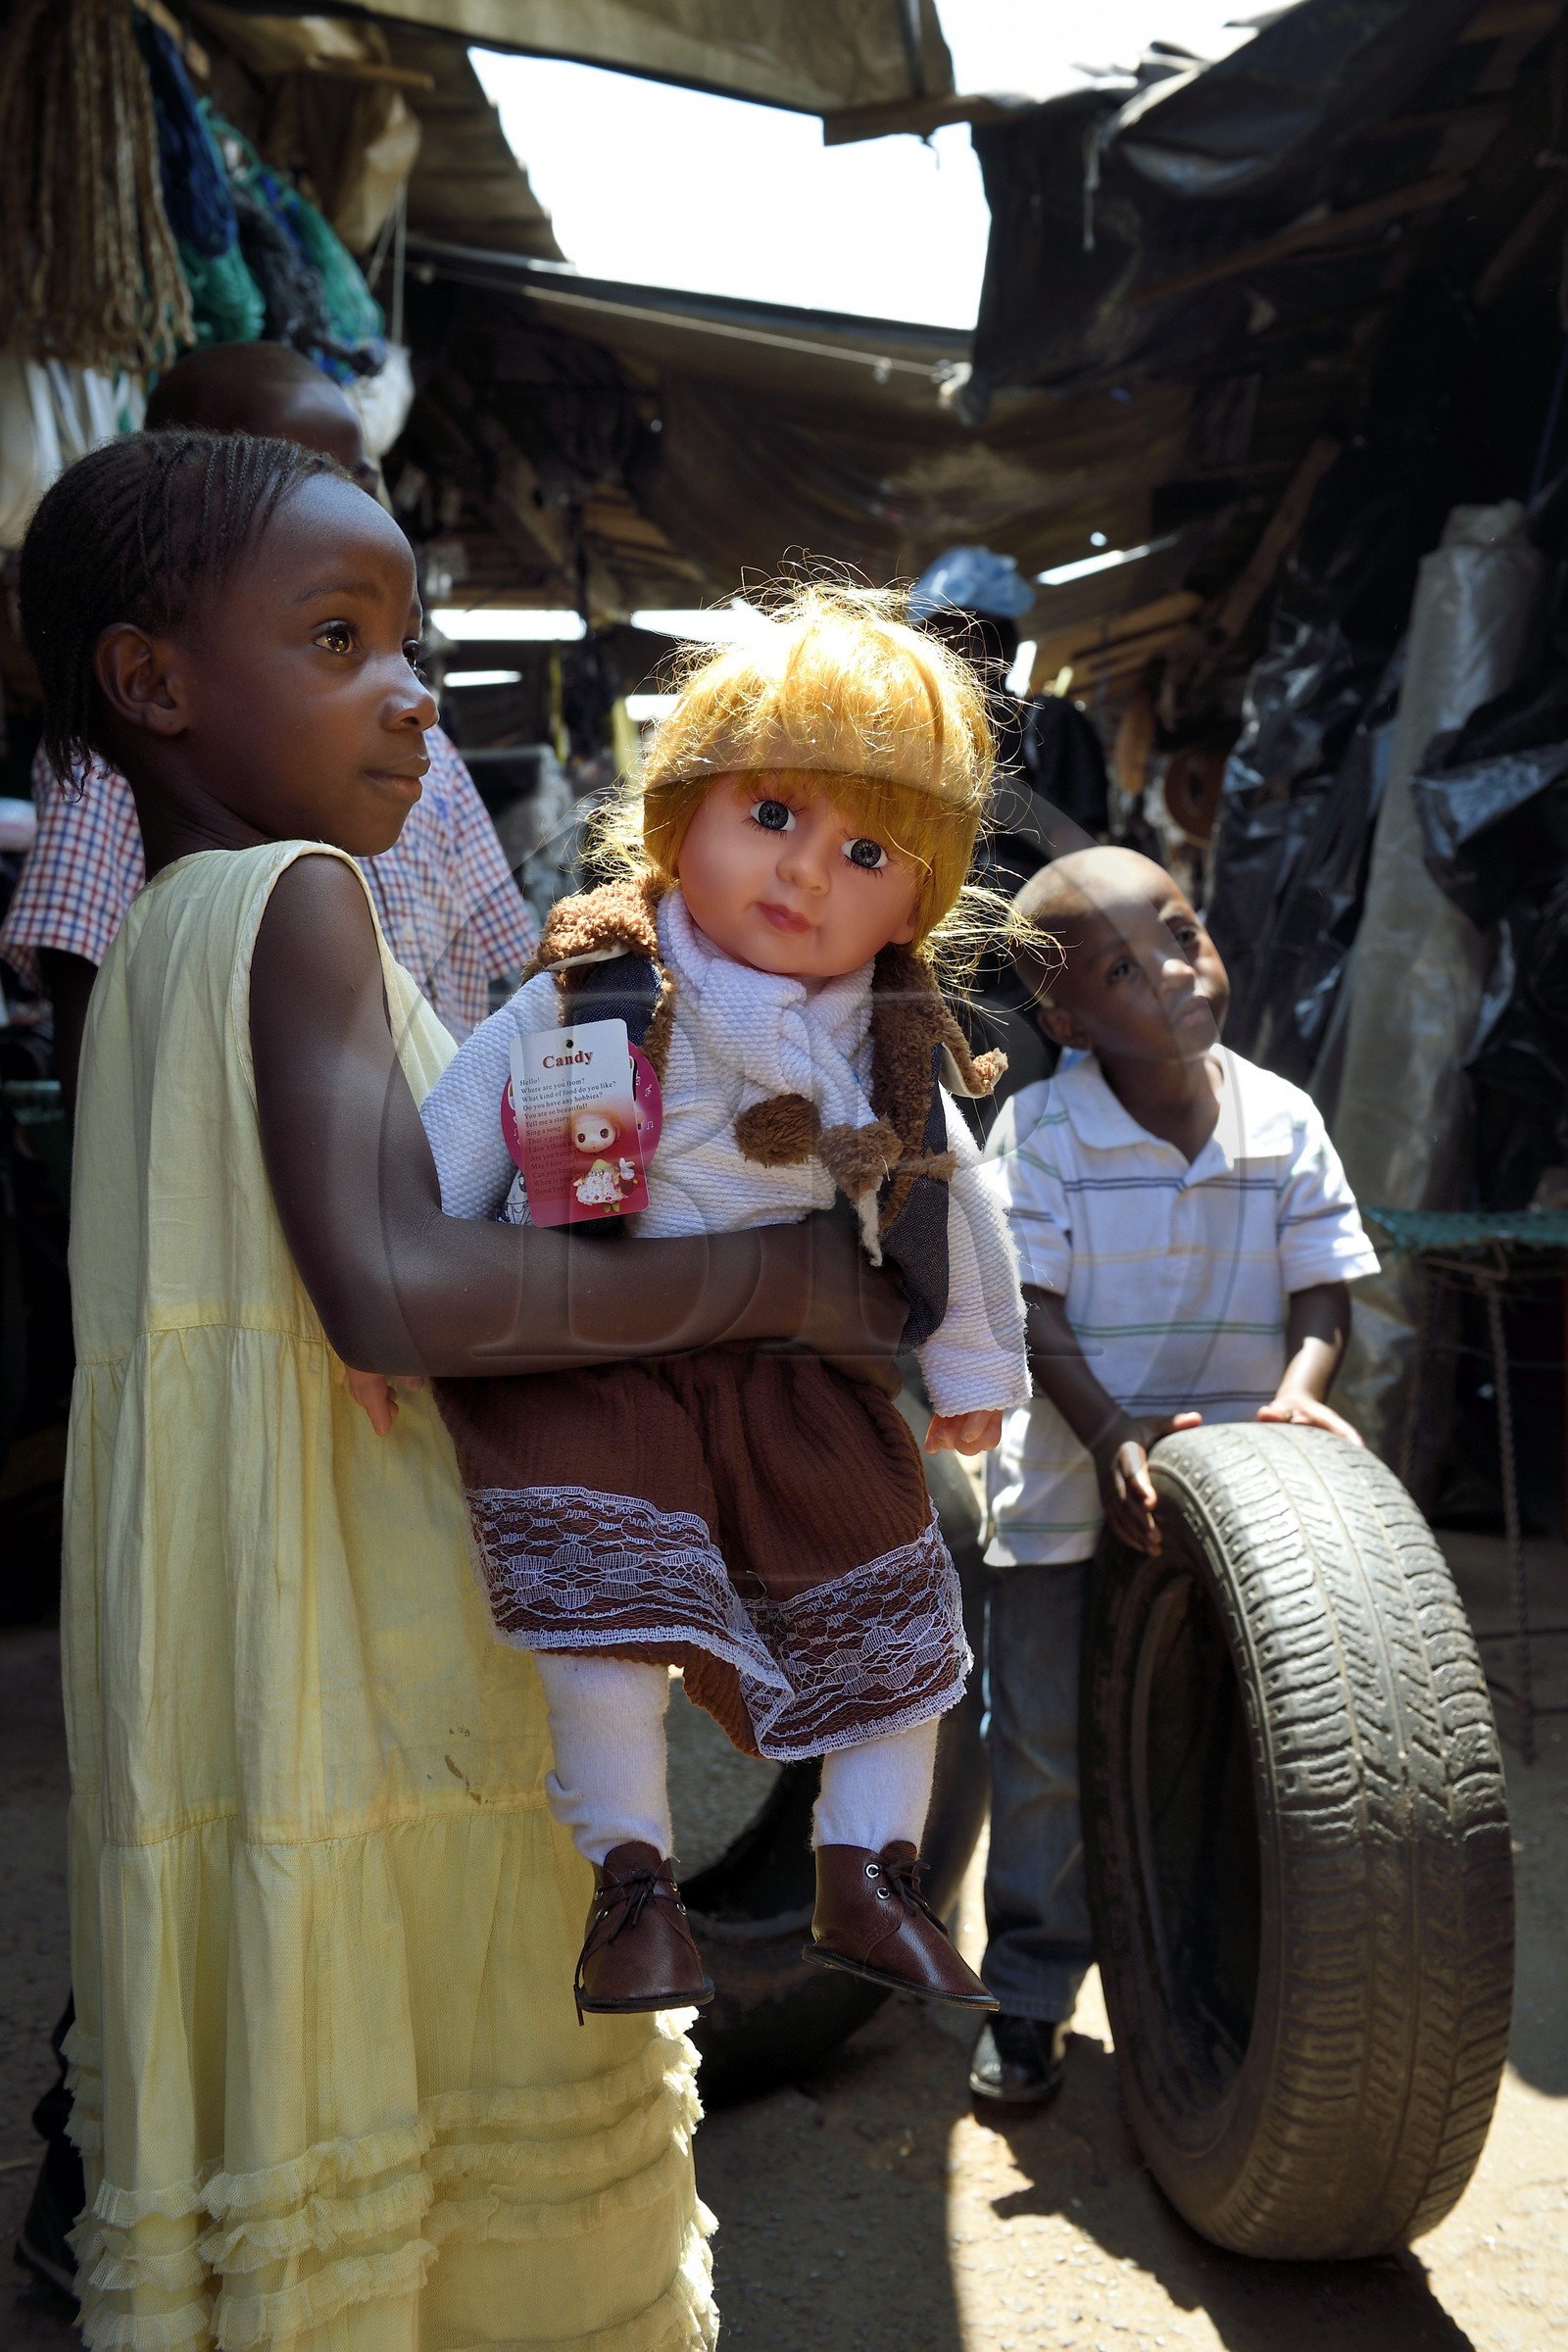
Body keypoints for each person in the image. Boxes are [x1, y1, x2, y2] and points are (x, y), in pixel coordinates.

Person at [17, 428, 905, 2347]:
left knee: (302, 2070)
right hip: (386, 1621)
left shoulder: (166, 939)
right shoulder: (300, 899)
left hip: (250, 1633)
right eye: (341, 638)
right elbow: (396, 1293)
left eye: (408, 638)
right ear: (152, 683)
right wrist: (768, 1276)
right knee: (465, 2055)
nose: (413, 690)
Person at [410, 584, 1031, 2018]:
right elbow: (455, 1135)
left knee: (897, 1612)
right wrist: (407, 1304)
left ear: (919, 897)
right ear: (681, 809)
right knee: (605, 1623)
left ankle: (868, 1875)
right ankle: (633, 1884)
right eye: (772, 815)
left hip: (783, 1378)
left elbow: (955, 1206)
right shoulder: (590, 991)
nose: (807, 873)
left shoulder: (886, 1045)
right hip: (589, 1355)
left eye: (864, 849)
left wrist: (974, 1361)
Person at [971, 846, 1380, 2106]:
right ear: (1065, 1019)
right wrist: (1109, 1439)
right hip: (1063, 1497)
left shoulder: (1281, 1113)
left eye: (1181, 931)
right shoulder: (1039, 1131)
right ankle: (1032, 1995)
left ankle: (1218, 1977)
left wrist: (1302, 1391)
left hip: (1247, 1505)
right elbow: (1028, 1314)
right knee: (1040, 1750)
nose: (1171, 971)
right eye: (1118, 968)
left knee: (1217, 1734)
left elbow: (1323, 1285)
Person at [0, 343, 533, 1110]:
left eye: (360, 475)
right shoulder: (136, 775)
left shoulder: (427, 751)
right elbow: (92, 1016)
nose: (347, 501)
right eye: (339, 638)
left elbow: (501, 969)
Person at [908, 545, 1114, 1122]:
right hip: (934, 973)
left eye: (968, 636)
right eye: (937, 636)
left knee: (1016, 1121)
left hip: (1027, 977)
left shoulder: (1047, 725)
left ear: (1004, 647)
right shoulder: (917, 744)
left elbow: (1089, 856)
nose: (952, 652)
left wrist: (989, 799)